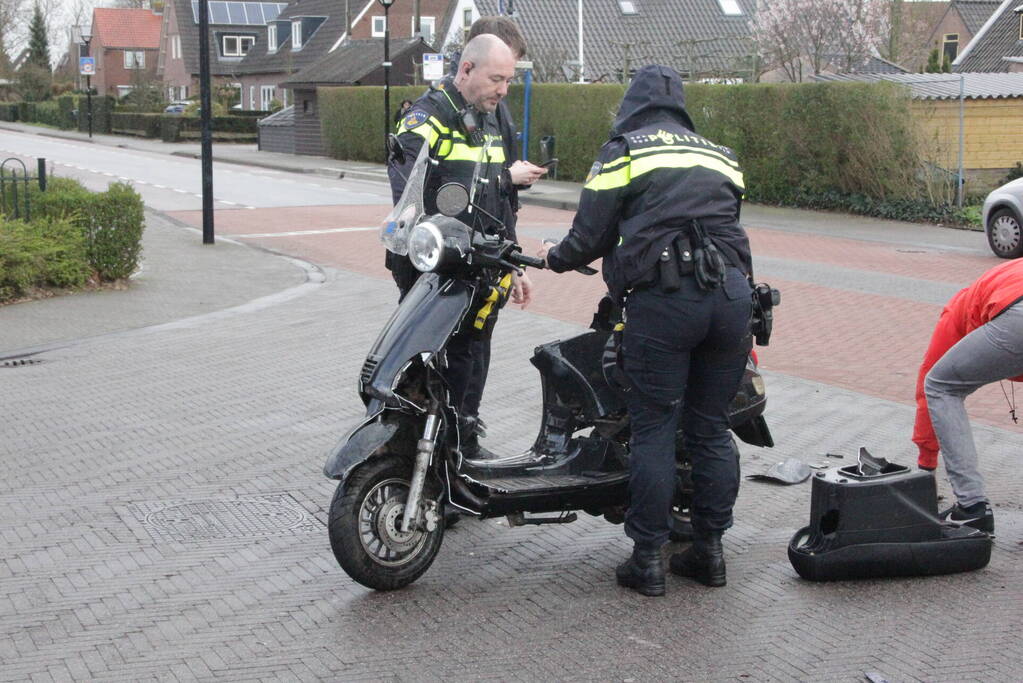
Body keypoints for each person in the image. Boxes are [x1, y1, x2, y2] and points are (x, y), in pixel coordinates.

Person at [537, 65, 754, 597]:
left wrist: (553, 259)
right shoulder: (719, 154)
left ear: (630, 105)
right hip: (731, 299)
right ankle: (710, 552)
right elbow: (724, 220)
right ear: (679, 105)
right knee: (708, 429)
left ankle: (648, 561)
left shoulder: (624, 151)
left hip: (665, 302)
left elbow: (588, 237)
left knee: (655, 426)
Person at [386, 34, 538, 458]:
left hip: (482, 269)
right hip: (435, 274)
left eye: (508, 80)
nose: (503, 90)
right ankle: (423, 459)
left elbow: (496, 200)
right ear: (466, 70)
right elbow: (409, 199)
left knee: (472, 359)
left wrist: (513, 262)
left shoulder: (489, 119)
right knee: (432, 366)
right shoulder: (425, 119)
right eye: (496, 79)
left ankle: (461, 446)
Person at [912, 259, 1023, 533]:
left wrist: (925, 467)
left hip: (1017, 311)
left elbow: (930, 389)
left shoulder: (956, 312)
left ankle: (972, 507)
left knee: (941, 386)